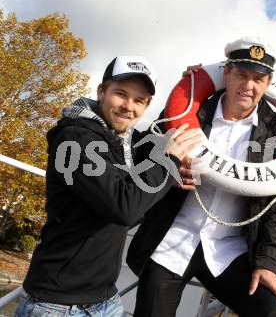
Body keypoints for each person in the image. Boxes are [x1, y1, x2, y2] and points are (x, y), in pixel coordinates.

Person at [15, 55, 201, 317]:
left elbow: (163, 132)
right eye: (121, 94)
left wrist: (190, 87)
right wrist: (166, 160)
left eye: (139, 101)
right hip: (56, 305)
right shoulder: (74, 140)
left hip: (105, 300)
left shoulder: (125, 141)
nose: (128, 106)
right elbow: (124, 207)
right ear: (102, 92)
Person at [126, 37, 276, 317]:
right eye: (241, 75)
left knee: (274, 312)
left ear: (268, 84)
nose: (248, 86)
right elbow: (143, 151)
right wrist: (169, 171)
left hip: (228, 249)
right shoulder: (189, 109)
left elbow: (275, 202)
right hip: (173, 239)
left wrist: (268, 263)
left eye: (257, 79)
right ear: (226, 73)